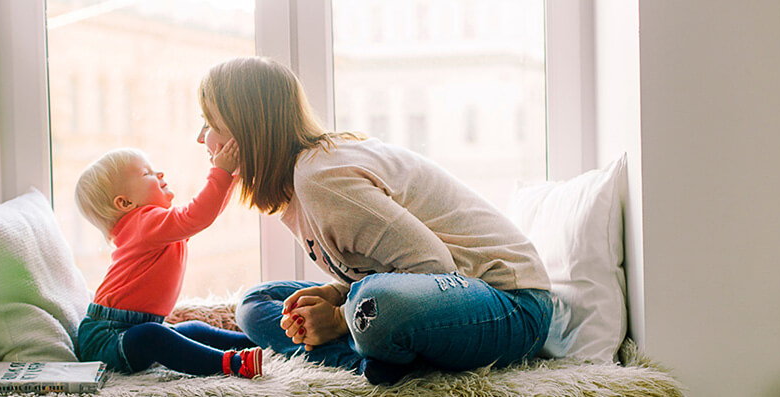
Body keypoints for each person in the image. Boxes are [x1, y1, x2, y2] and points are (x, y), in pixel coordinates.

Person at [196, 56, 554, 385]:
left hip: (511, 304)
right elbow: (387, 271)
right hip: (437, 297)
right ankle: (374, 357)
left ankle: (368, 348)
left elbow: (435, 267)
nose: (201, 137)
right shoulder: (297, 186)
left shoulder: (320, 177)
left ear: (248, 130)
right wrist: (338, 295)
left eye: (210, 123)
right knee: (257, 303)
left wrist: (337, 317)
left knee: (374, 304)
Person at [73, 145, 264, 379]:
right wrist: (221, 172)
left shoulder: (153, 226)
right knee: (153, 337)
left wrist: (231, 178)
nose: (160, 173)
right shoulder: (144, 223)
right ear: (124, 203)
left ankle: (257, 341)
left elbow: (205, 216)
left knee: (192, 329)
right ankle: (232, 364)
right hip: (107, 338)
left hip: (132, 327)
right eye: (147, 173)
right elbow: (198, 215)